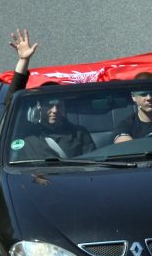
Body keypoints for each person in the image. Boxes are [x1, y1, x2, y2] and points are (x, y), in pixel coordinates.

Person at [6, 29, 95, 159]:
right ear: (39, 106)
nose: (55, 110)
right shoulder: (26, 132)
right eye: (49, 105)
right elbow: (11, 104)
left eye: (59, 105)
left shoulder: (79, 133)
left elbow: (93, 167)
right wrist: (23, 61)